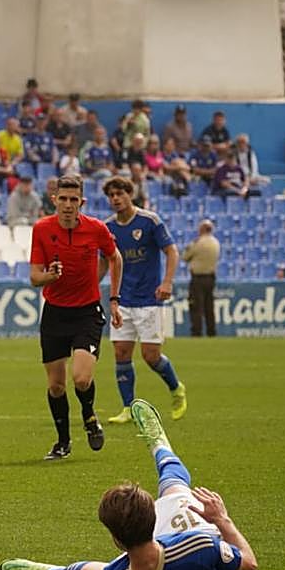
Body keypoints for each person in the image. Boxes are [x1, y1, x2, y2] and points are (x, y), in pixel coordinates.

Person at [2, 398, 256, 570]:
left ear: (117, 541)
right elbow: (249, 565)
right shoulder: (201, 545)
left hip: (142, 564)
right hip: (188, 540)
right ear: (154, 520)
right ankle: (159, 443)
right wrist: (222, 520)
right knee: (175, 486)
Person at [29, 174, 123, 461]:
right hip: (55, 313)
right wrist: (51, 275)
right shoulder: (42, 229)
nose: (68, 205)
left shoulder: (96, 229)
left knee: (81, 379)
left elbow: (115, 257)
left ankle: (89, 415)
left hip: (87, 312)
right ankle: (63, 442)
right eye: (63, 199)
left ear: (81, 202)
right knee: (56, 386)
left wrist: (114, 298)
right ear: (54, 199)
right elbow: (35, 277)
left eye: (74, 200)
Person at [101, 177, 187, 426]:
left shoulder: (149, 221)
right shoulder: (108, 228)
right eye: (111, 195)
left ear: (130, 194)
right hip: (122, 299)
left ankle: (176, 388)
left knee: (151, 356)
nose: (115, 199)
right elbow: (104, 262)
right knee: (121, 353)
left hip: (149, 299)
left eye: (120, 194)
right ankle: (128, 407)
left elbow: (171, 251)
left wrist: (168, 282)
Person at [182, 219, 219, 337]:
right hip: (211, 278)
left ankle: (196, 332)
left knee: (196, 306)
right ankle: (211, 332)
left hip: (198, 278)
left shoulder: (198, 243)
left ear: (202, 229)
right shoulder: (216, 243)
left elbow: (185, 256)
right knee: (209, 306)